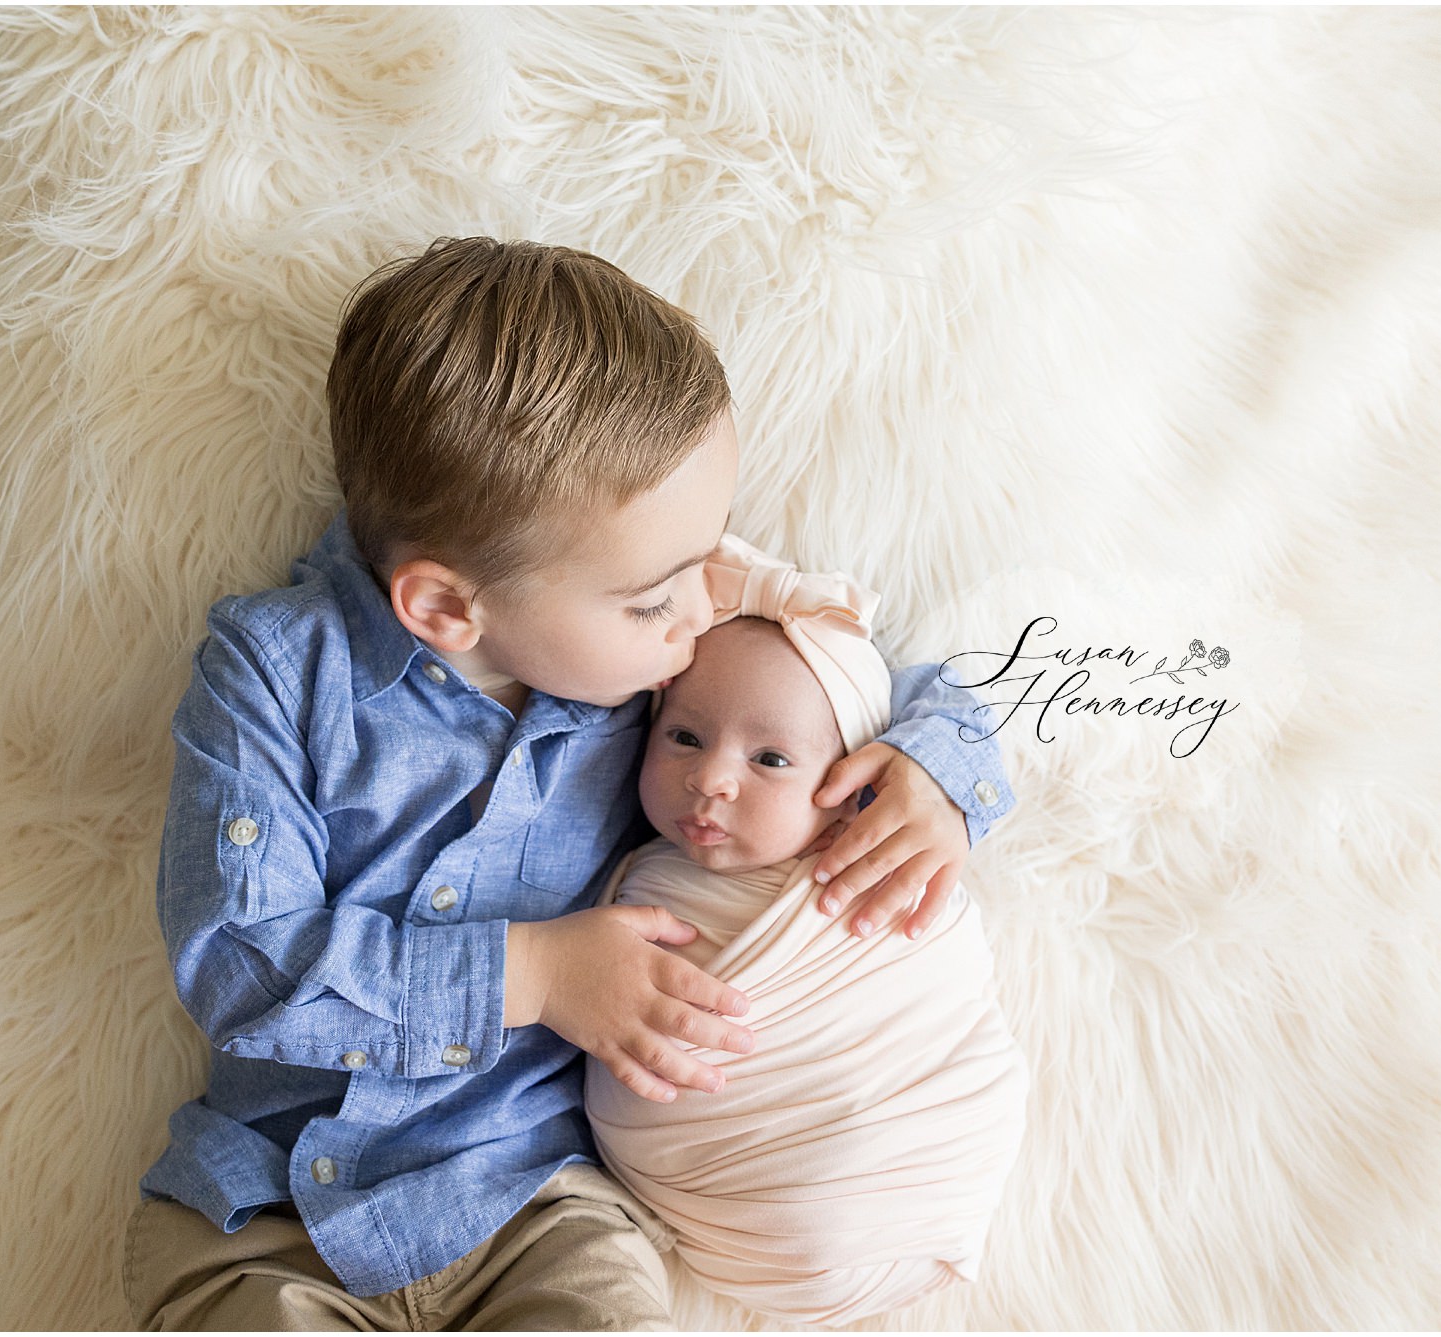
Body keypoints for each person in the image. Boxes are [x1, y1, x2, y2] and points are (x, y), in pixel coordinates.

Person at [123, 236, 1017, 1330]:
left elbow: (882, 677)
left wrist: (935, 769)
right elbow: (242, 960)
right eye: (657, 596)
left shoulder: (663, 654)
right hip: (265, 1209)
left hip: (532, 1197)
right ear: (449, 611)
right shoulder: (275, 667)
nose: (702, 610)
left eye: (705, 561)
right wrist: (536, 974)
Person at [584, 535, 1030, 1327]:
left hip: (899, 1160)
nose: (710, 777)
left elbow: (958, 701)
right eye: (683, 735)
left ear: (850, 785)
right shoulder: (628, 865)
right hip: (713, 1201)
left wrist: (939, 779)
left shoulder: (870, 860)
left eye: (771, 759)